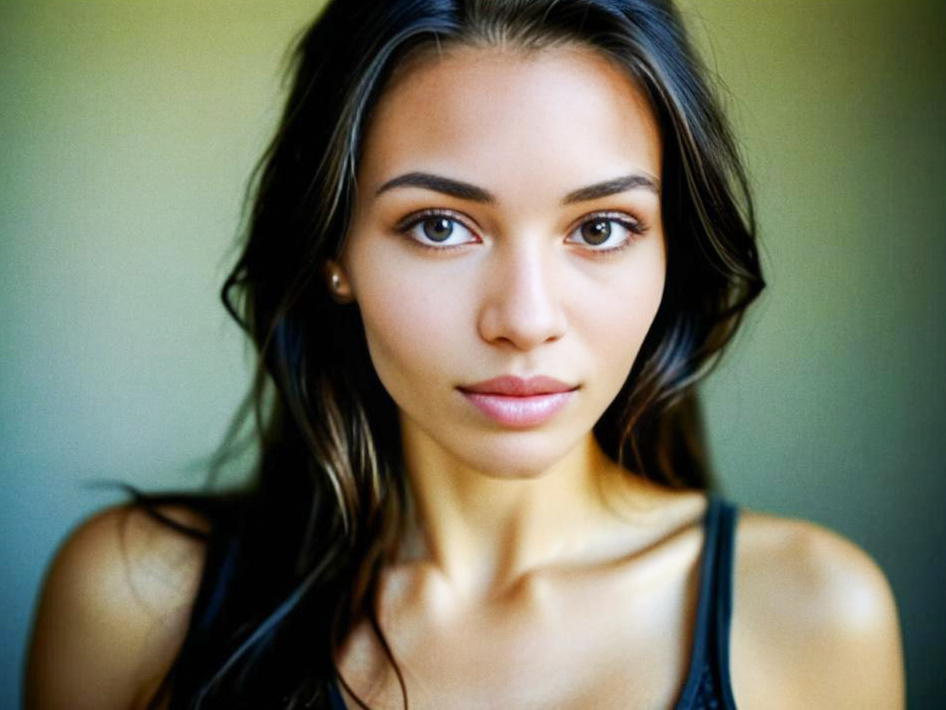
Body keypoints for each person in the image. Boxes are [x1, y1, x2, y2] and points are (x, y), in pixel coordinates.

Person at [24, 0, 905, 708]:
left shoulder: (814, 614)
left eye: (601, 228)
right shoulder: (135, 601)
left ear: (673, 250)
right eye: (440, 226)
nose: (525, 319)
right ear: (334, 252)